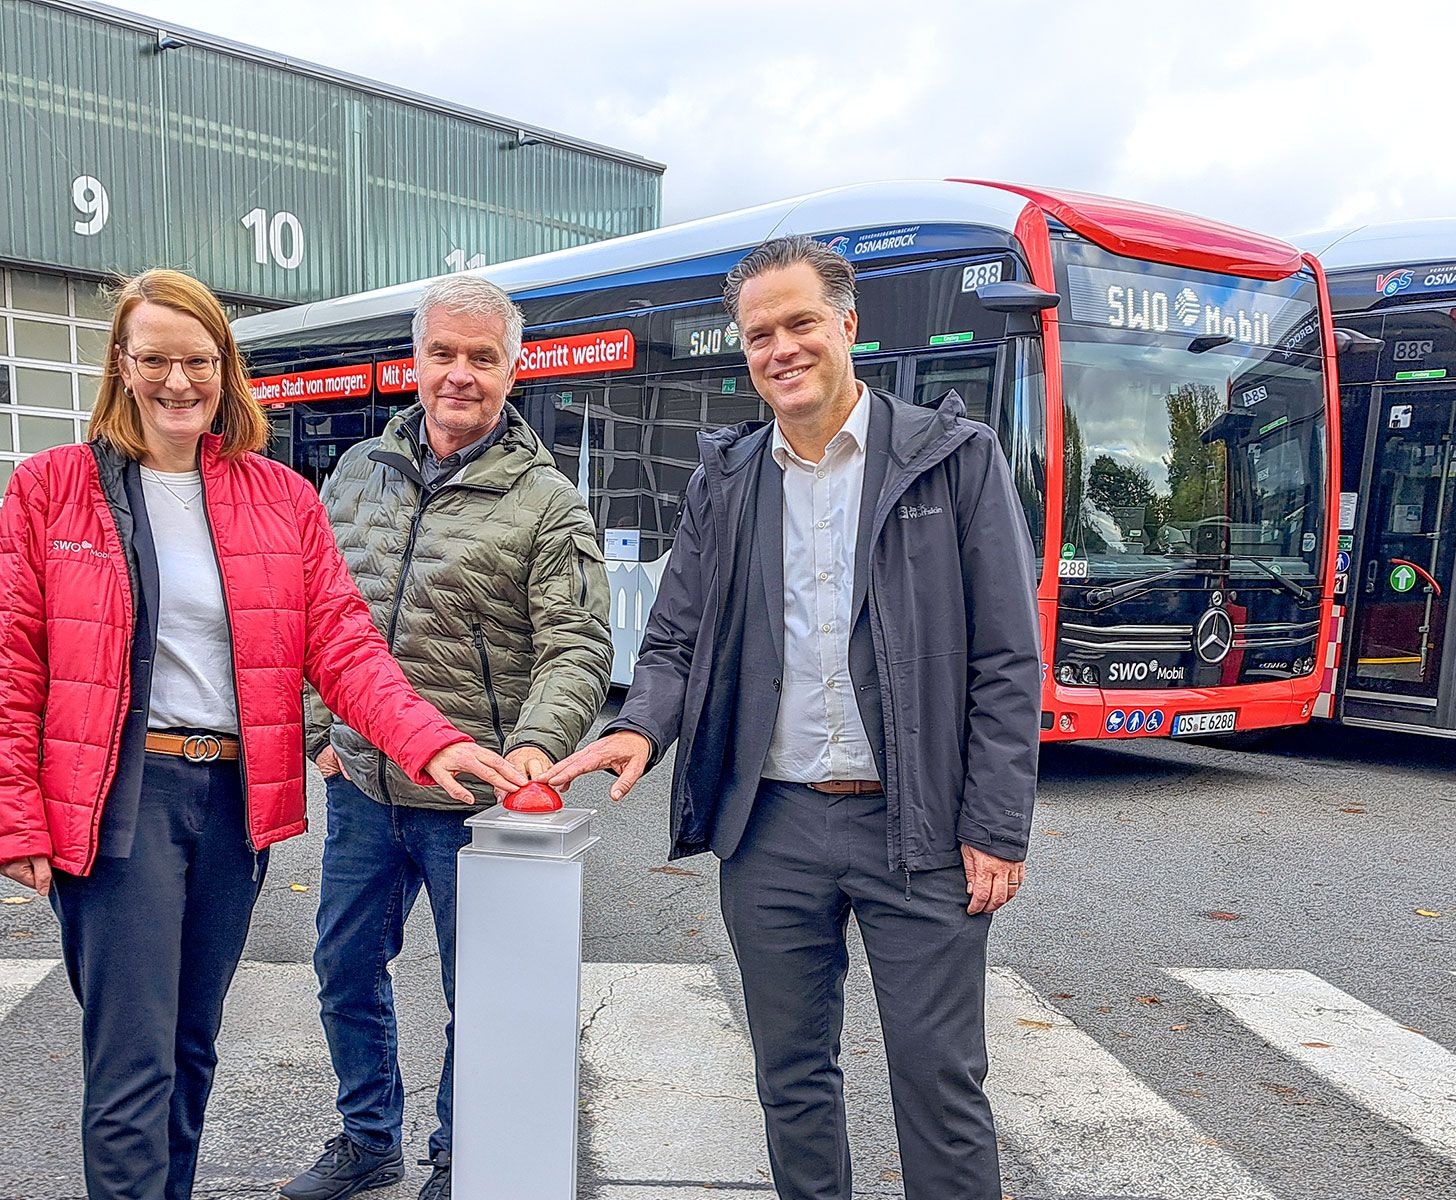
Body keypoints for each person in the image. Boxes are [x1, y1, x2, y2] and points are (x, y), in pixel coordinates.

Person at [0, 269, 524, 1200]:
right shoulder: (52, 490)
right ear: (121, 365)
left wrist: (426, 740)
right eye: (154, 359)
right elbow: (15, 663)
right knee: (132, 1060)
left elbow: (344, 643)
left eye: (197, 361)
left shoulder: (279, 497)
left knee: (192, 1046)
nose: (176, 382)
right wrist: (15, 815)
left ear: (224, 369)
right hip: (122, 798)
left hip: (233, 800)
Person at [546, 236, 1042, 1200]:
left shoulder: (954, 461)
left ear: (846, 325)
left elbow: (1005, 661)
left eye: (800, 322)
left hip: (923, 831)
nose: (782, 347)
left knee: (939, 1083)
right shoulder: (727, 480)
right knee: (791, 1080)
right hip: (769, 828)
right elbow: (676, 638)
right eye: (759, 333)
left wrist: (994, 822)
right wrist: (641, 726)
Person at [283, 275, 612, 1200]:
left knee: (484, 994)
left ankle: (458, 1154)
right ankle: (366, 1135)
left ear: (514, 369)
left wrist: (540, 745)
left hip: (474, 803)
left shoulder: (547, 501)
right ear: (414, 363)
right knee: (344, 968)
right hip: (360, 786)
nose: (459, 374)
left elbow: (578, 643)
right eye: (443, 353)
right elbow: (308, 615)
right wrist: (319, 727)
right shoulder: (355, 473)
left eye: (482, 357)